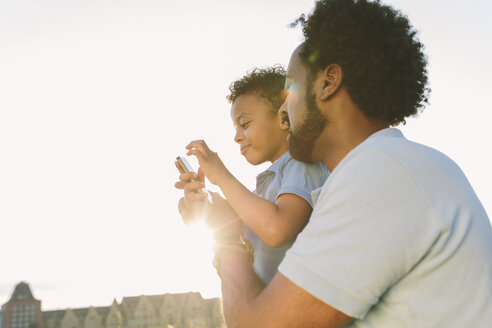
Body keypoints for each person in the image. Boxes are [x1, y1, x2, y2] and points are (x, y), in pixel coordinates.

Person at [178, 0, 492, 327]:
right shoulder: (384, 169)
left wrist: (227, 241)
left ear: (329, 82)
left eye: (290, 91)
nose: (283, 110)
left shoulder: (379, 173)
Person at [175, 66, 329, 284]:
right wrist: (210, 208)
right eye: (235, 128)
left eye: (244, 124)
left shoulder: (302, 165)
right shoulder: (265, 188)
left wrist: (222, 176)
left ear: (284, 118)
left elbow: (276, 228)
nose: (237, 137)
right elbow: (243, 235)